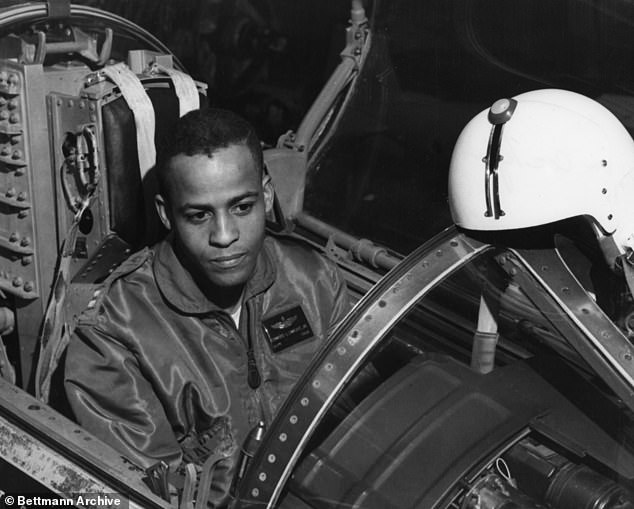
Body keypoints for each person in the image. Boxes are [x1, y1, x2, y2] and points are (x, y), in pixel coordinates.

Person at [64, 108, 350, 506]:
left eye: (242, 207)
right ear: (167, 215)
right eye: (199, 215)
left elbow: (357, 429)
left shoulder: (316, 280)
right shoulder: (114, 334)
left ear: (266, 196)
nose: (225, 236)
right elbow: (152, 495)